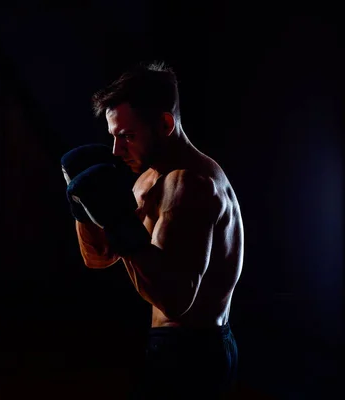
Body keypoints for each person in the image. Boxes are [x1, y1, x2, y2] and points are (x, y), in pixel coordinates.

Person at [61, 62, 243, 398]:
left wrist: (118, 222)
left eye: (127, 136)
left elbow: (176, 301)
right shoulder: (148, 177)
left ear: (164, 124)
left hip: (196, 354)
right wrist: (83, 210)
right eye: (113, 137)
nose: (117, 150)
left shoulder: (191, 184)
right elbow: (98, 258)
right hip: (167, 345)